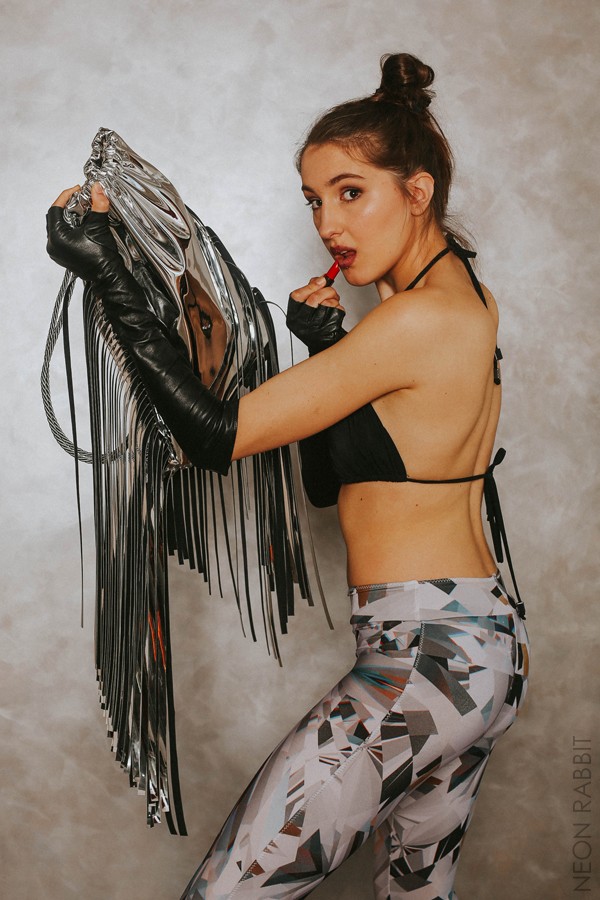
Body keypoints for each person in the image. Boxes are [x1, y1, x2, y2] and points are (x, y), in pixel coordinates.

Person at [47, 52, 529, 900]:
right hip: (478, 650)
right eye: (314, 200)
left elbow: (213, 436)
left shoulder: (414, 322)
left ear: (417, 191)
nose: (329, 223)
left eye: (351, 192)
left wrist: (108, 272)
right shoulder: (461, 301)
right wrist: (327, 345)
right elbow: (329, 484)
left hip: (423, 660)